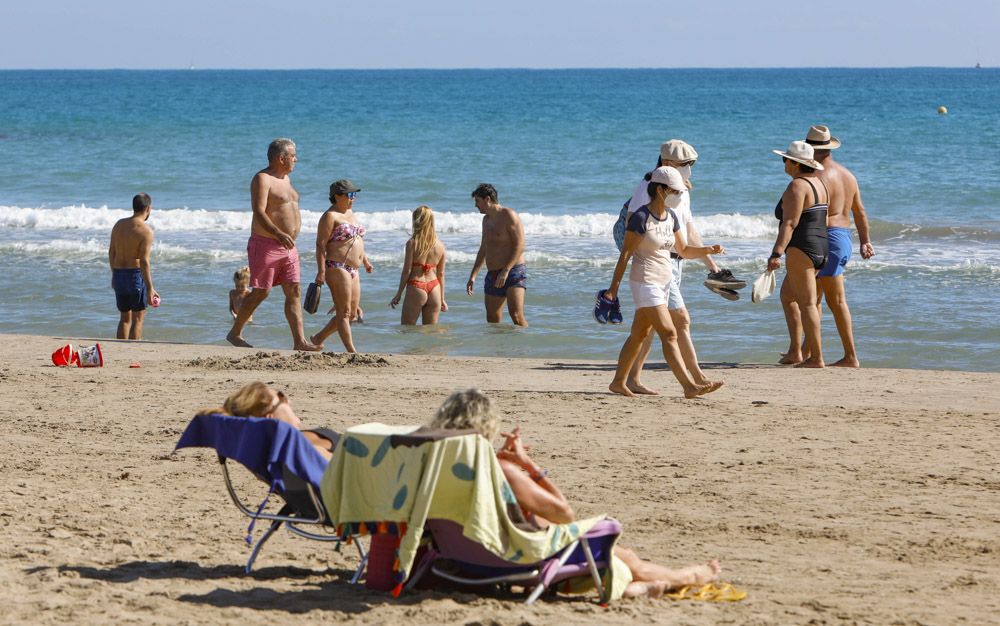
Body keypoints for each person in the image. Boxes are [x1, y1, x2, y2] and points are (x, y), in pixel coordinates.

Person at [428, 388, 723, 598]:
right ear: (487, 427)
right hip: (514, 561)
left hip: (461, 561)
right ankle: (688, 577)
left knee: (621, 561)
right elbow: (564, 513)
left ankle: (645, 588)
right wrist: (527, 465)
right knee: (623, 555)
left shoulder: (430, 469)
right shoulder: (499, 471)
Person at [621, 140, 740, 395]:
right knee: (679, 322)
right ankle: (694, 380)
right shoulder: (647, 190)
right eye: (685, 165)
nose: (689, 170)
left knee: (645, 328)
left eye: (692, 164)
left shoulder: (682, 190)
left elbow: (687, 231)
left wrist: (713, 266)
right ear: (666, 164)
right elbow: (634, 229)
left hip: (674, 264)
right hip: (655, 266)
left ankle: (629, 379)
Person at [605, 167, 726, 398]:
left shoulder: (671, 217)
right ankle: (689, 386)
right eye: (674, 191)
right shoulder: (640, 217)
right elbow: (625, 255)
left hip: (664, 282)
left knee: (639, 334)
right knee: (669, 333)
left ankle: (618, 382)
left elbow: (684, 250)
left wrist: (709, 249)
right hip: (644, 281)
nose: (679, 195)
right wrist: (614, 288)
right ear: (660, 190)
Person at [779, 126, 875, 367]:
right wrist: (865, 241)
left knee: (803, 298)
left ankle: (805, 353)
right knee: (833, 300)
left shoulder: (814, 177)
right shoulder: (848, 175)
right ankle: (838, 354)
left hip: (823, 237)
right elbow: (860, 212)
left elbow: (800, 216)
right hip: (843, 238)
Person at [226, 138, 320, 352]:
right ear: (281, 157)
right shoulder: (262, 179)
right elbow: (259, 212)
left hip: (289, 247)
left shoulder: (286, 179)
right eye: (293, 155)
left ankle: (299, 341)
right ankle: (235, 332)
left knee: (294, 290)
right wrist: (278, 232)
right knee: (261, 291)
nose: (296, 159)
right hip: (266, 243)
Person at [768, 141, 830, 369]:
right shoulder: (820, 184)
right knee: (788, 296)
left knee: (807, 304)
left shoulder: (796, 186)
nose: (783, 164)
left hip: (802, 248)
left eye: (785, 160)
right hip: (822, 246)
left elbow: (790, 223)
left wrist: (776, 253)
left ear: (795, 164)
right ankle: (796, 351)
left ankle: (816, 358)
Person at [200, 382, 338, 461]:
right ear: (270, 419)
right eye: (281, 397)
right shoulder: (301, 450)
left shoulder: (273, 454)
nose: (289, 400)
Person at [311, 179, 373, 353]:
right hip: (336, 266)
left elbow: (356, 240)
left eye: (354, 195)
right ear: (337, 196)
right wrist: (321, 271)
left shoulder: (351, 213)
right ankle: (352, 351)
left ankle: (318, 338)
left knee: (351, 314)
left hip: (355, 269)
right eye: (350, 195)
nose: (353, 198)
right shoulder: (330, 216)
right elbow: (320, 245)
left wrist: (365, 261)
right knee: (344, 312)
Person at [465, 184, 528, 326]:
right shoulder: (486, 220)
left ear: (487, 199)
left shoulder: (508, 215)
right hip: (493, 273)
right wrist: (473, 275)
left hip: (513, 271)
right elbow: (483, 249)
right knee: (492, 320)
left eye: (477, 201)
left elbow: (520, 245)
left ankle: (523, 347)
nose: (476, 205)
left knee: (516, 316)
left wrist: (506, 270)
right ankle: (499, 348)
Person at [108, 192, 160, 340]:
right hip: (135, 276)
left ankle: (120, 351)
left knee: (124, 318)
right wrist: (150, 288)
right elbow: (144, 261)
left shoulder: (119, 225)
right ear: (148, 208)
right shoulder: (146, 231)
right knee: (138, 318)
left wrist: (114, 274)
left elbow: (111, 252)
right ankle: (132, 352)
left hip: (118, 274)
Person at [390, 205, 448, 324]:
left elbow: (407, 271)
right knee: (431, 333)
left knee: (407, 330)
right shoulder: (441, 246)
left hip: (417, 286)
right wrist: (442, 299)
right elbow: (441, 274)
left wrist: (398, 294)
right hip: (435, 288)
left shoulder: (412, 243)